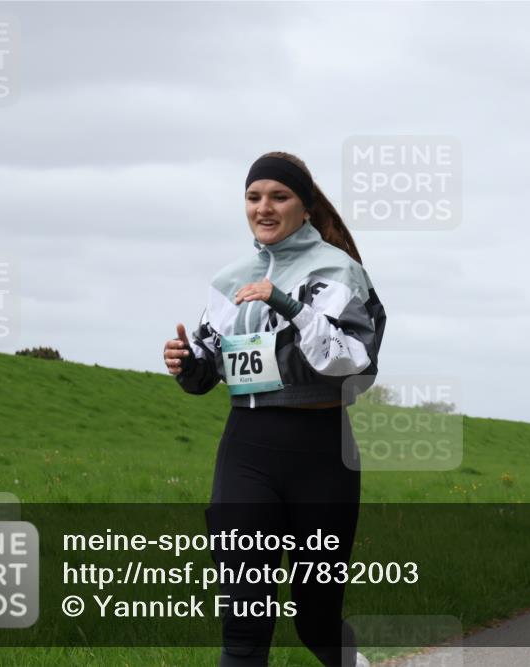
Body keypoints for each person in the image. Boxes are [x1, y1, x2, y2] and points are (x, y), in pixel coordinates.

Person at [164, 152, 385, 667]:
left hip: (322, 454)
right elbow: (209, 365)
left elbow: (354, 361)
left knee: (316, 622)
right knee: (244, 623)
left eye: (278, 196)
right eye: (253, 197)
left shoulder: (339, 271)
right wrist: (187, 362)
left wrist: (286, 303)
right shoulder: (229, 280)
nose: (263, 207)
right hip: (247, 450)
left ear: (305, 207)